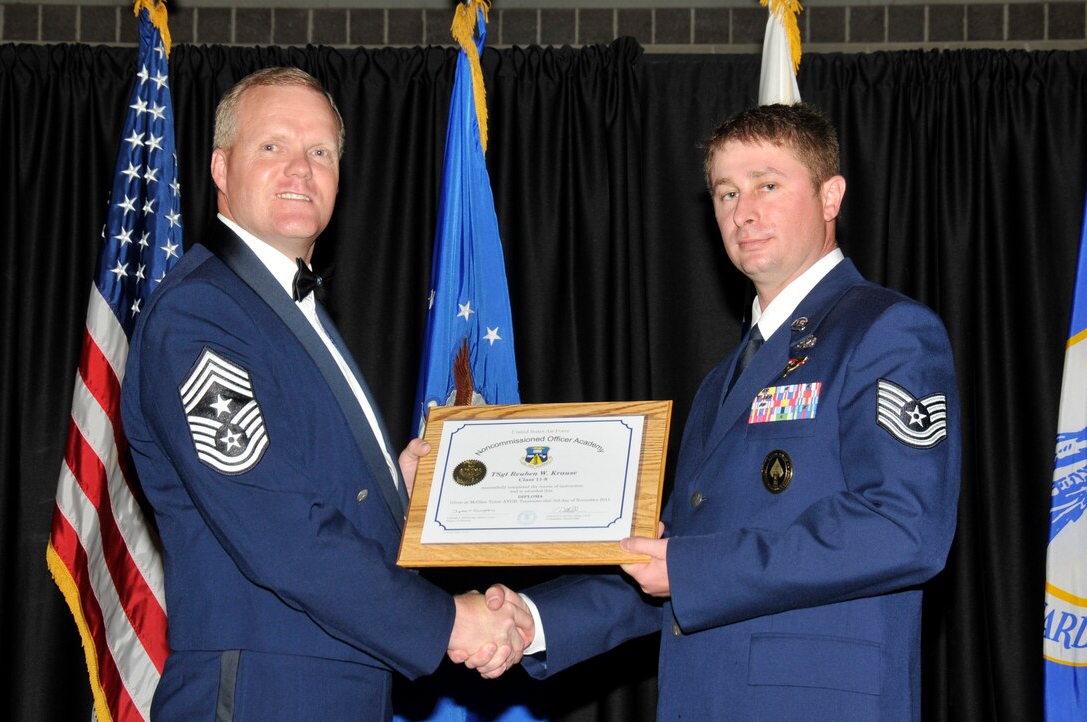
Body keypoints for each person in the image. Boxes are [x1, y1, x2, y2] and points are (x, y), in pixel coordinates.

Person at [491, 102, 962, 720]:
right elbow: (676, 561)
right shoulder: (723, 381)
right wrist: (534, 618)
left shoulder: (887, 331)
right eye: (725, 193)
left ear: (831, 196)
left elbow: (905, 529)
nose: (744, 212)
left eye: (768, 185)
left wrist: (688, 568)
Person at [121, 67, 531, 721]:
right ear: (221, 169)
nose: (300, 169)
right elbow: (278, 527)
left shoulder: (283, 307)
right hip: (263, 691)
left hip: (332, 684)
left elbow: (302, 484)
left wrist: (401, 486)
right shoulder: (201, 313)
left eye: (320, 152)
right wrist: (450, 622)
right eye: (273, 146)